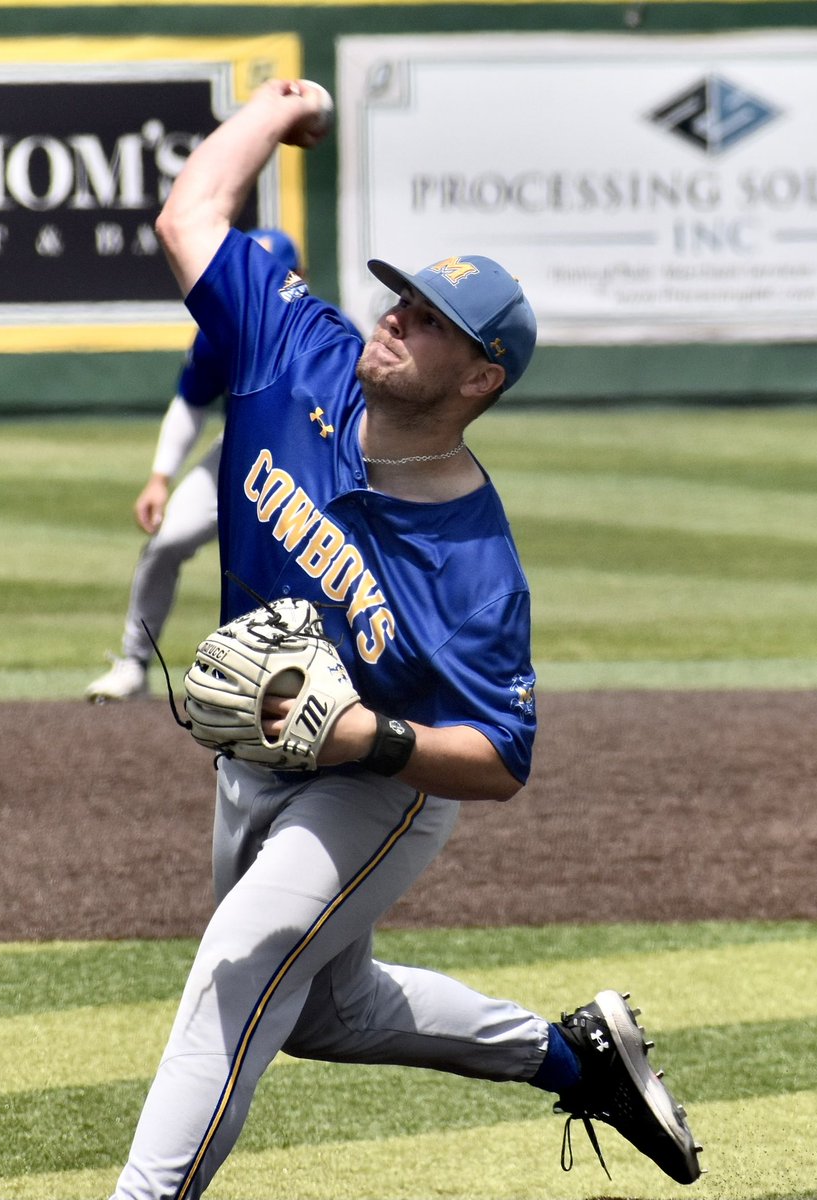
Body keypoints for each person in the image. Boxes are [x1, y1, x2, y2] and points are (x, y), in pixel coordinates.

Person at [109, 79, 702, 1199]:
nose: (396, 316)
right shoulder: (296, 349)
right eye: (401, 298)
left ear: (478, 379)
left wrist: (368, 742)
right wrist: (278, 110)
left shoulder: (474, 564)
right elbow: (190, 211)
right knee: (325, 1013)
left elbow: (501, 759)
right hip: (258, 756)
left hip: (380, 784)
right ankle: (579, 1060)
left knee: (235, 973)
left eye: (431, 320)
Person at [85, 229, 303, 702]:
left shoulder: (327, 331)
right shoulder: (218, 329)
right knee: (166, 544)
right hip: (242, 451)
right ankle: (134, 663)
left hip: (313, 459)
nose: (250, 287)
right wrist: (160, 478)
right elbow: (191, 402)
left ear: (296, 279)